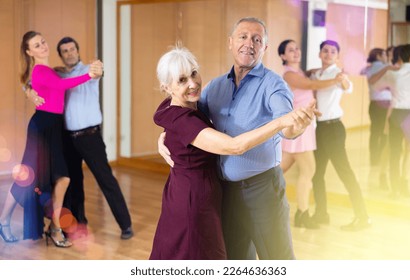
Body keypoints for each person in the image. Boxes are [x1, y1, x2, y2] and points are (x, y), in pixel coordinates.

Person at [158, 17, 320, 260]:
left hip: (262, 189)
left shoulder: (275, 85)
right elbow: (184, 117)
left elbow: (287, 127)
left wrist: (296, 125)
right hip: (224, 192)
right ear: (231, 43)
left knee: (277, 259)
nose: (249, 43)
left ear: (264, 48)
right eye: (243, 36)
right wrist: (164, 138)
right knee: (235, 259)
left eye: (257, 39)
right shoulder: (214, 88)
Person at [0, 31, 101, 247]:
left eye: (43, 42)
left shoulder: (48, 70)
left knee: (61, 178)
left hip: (54, 127)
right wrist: (89, 76)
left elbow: (32, 83)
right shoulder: (40, 71)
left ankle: (54, 228)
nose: (43, 46)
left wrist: (27, 89)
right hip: (42, 128)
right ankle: (5, 221)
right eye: (37, 45)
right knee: (30, 179)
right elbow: (63, 86)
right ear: (29, 52)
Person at [26, 37, 133, 240]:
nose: (69, 53)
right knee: (73, 184)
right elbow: (29, 82)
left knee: (106, 179)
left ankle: (125, 225)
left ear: (78, 50)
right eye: (64, 51)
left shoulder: (89, 70)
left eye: (72, 49)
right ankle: (79, 225)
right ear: (61, 55)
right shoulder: (56, 73)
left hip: (90, 136)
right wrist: (29, 92)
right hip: (67, 137)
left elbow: (98, 71)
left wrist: (99, 67)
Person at [277, 39, 345, 229]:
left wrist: (323, 70)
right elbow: (310, 85)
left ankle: (254, 194)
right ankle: (302, 214)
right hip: (299, 127)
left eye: (297, 48)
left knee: (276, 171)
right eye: (290, 50)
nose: (296, 52)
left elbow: (310, 76)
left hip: (302, 127)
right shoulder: (289, 74)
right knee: (308, 171)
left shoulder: (298, 71)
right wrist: (336, 79)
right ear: (283, 56)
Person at [310, 40, 371, 231]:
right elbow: (313, 80)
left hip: (334, 130)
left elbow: (346, 86)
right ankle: (322, 214)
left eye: (333, 51)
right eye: (325, 51)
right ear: (320, 54)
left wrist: (343, 79)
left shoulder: (338, 74)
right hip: (319, 129)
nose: (328, 54)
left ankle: (363, 217)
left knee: (344, 172)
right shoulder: (316, 74)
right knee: (316, 174)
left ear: (337, 56)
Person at [372, 43, 410, 198]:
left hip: (396, 114)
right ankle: (403, 184)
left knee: (394, 153)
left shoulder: (393, 74)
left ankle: (395, 189)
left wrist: (392, 87)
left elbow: (376, 87)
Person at [362, 48, 393, 189]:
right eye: (385, 54)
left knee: (375, 133)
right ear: (379, 55)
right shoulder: (384, 67)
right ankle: (380, 161)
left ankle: (374, 159)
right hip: (384, 104)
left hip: (374, 104)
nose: (387, 57)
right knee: (384, 133)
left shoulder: (368, 68)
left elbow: (363, 73)